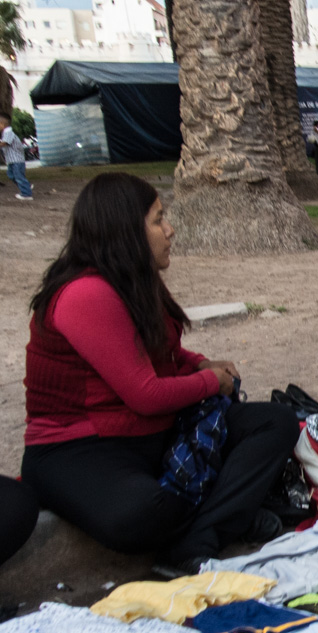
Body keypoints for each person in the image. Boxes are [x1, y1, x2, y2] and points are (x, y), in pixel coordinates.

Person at [22, 173, 299, 576]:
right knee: (141, 513)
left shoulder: (133, 279)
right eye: (158, 220)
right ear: (125, 231)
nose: (170, 230)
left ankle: (200, 535)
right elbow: (145, 393)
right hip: (81, 449)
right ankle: (220, 522)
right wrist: (211, 382)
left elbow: (158, 351)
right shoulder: (85, 294)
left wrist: (198, 363)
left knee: (276, 422)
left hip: (149, 433)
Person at [1, 112, 33, 201]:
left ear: (2, 124)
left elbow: (4, 143)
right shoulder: (6, 133)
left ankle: (26, 194)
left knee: (18, 176)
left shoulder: (8, 132)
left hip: (16, 160)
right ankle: (26, 185)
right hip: (11, 160)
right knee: (11, 175)